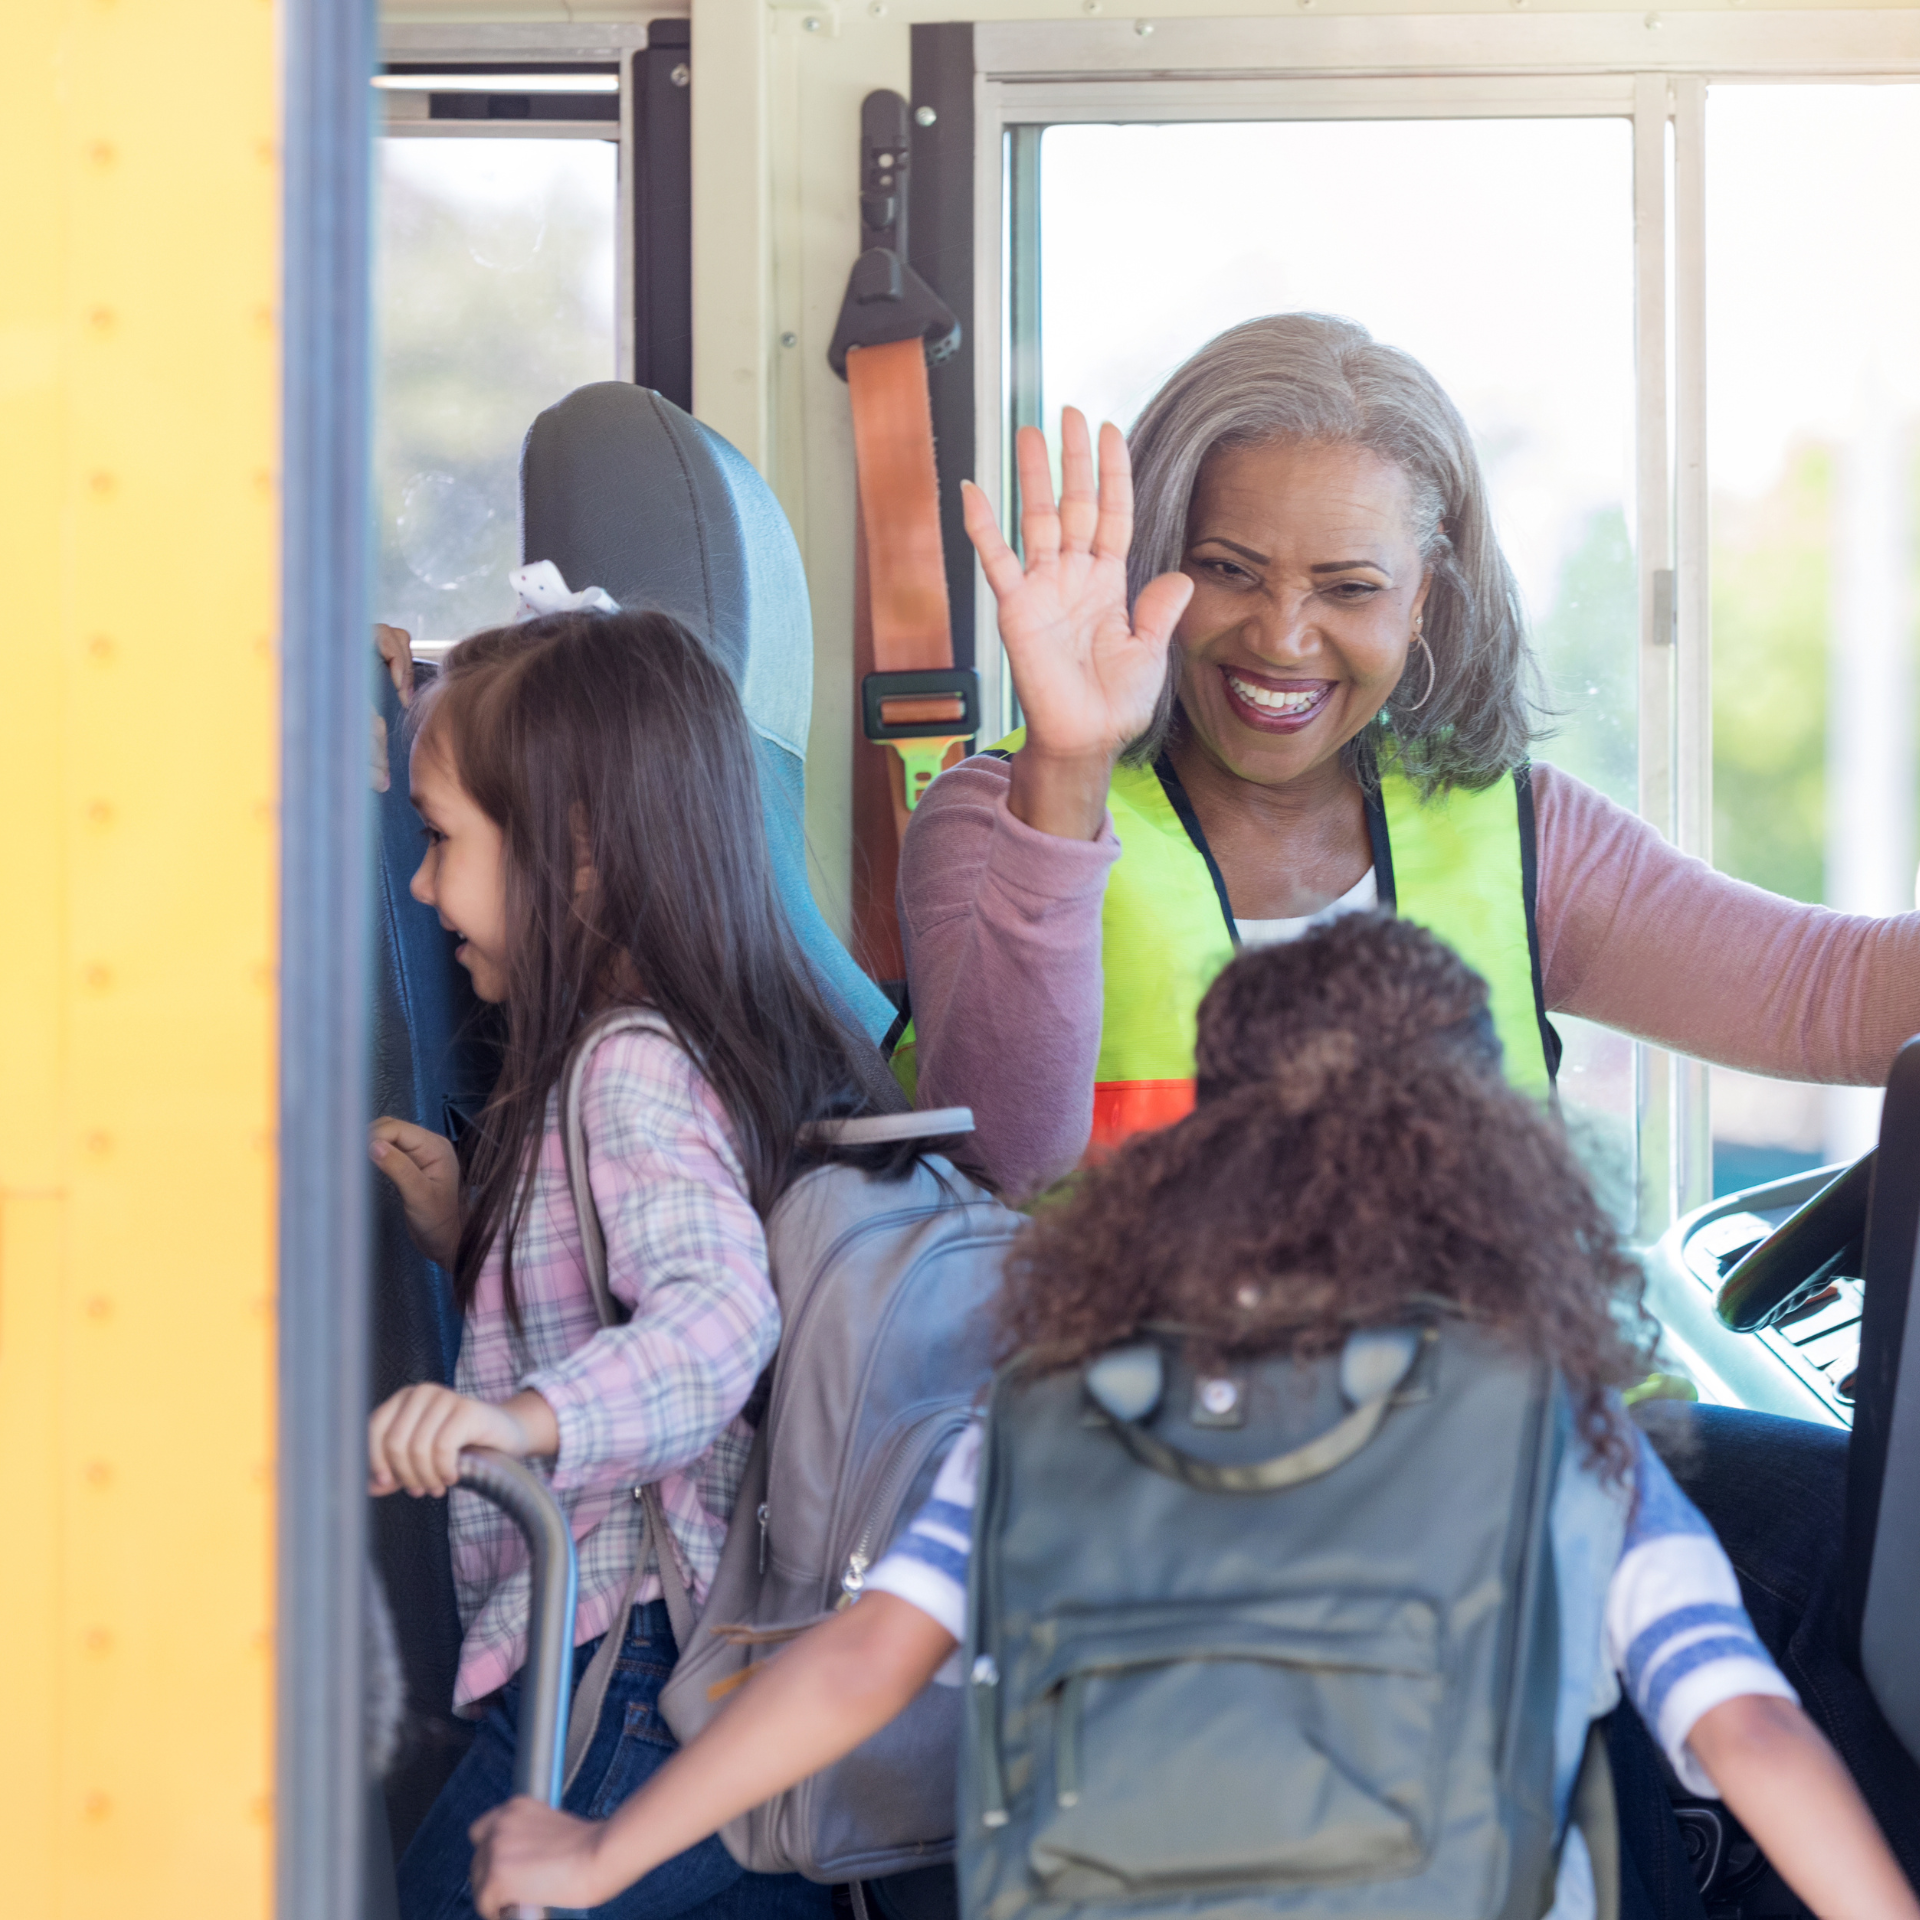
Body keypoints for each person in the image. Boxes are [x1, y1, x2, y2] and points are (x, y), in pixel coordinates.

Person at [463, 919, 1920, 1920]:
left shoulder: (1055, 1412)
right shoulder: (1565, 1440)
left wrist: (601, 1853)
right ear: (1493, 1179)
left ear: (1196, 1168)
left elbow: (857, 1670)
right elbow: (1752, 1740)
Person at [896, 313, 1920, 1196]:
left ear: (1425, 598)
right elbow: (1003, 1158)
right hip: (1130, 1417)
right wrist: (1070, 768)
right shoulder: (1002, 816)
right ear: (1159, 559)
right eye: (1228, 570)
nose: (1282, 637)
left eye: (1348, 588)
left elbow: (1830, 993)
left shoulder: (1521, 833)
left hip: (1490, 1417)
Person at [366, 606, 879, 1920]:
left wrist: (513, 1420)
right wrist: (462, 1240)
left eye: (441, 844)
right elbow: (615, 1285)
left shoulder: (628, 1066)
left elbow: (715, 1320)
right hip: (686, 1674)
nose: (423, 891)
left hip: (616, 1670)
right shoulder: (685, 1047)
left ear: (578, 855)